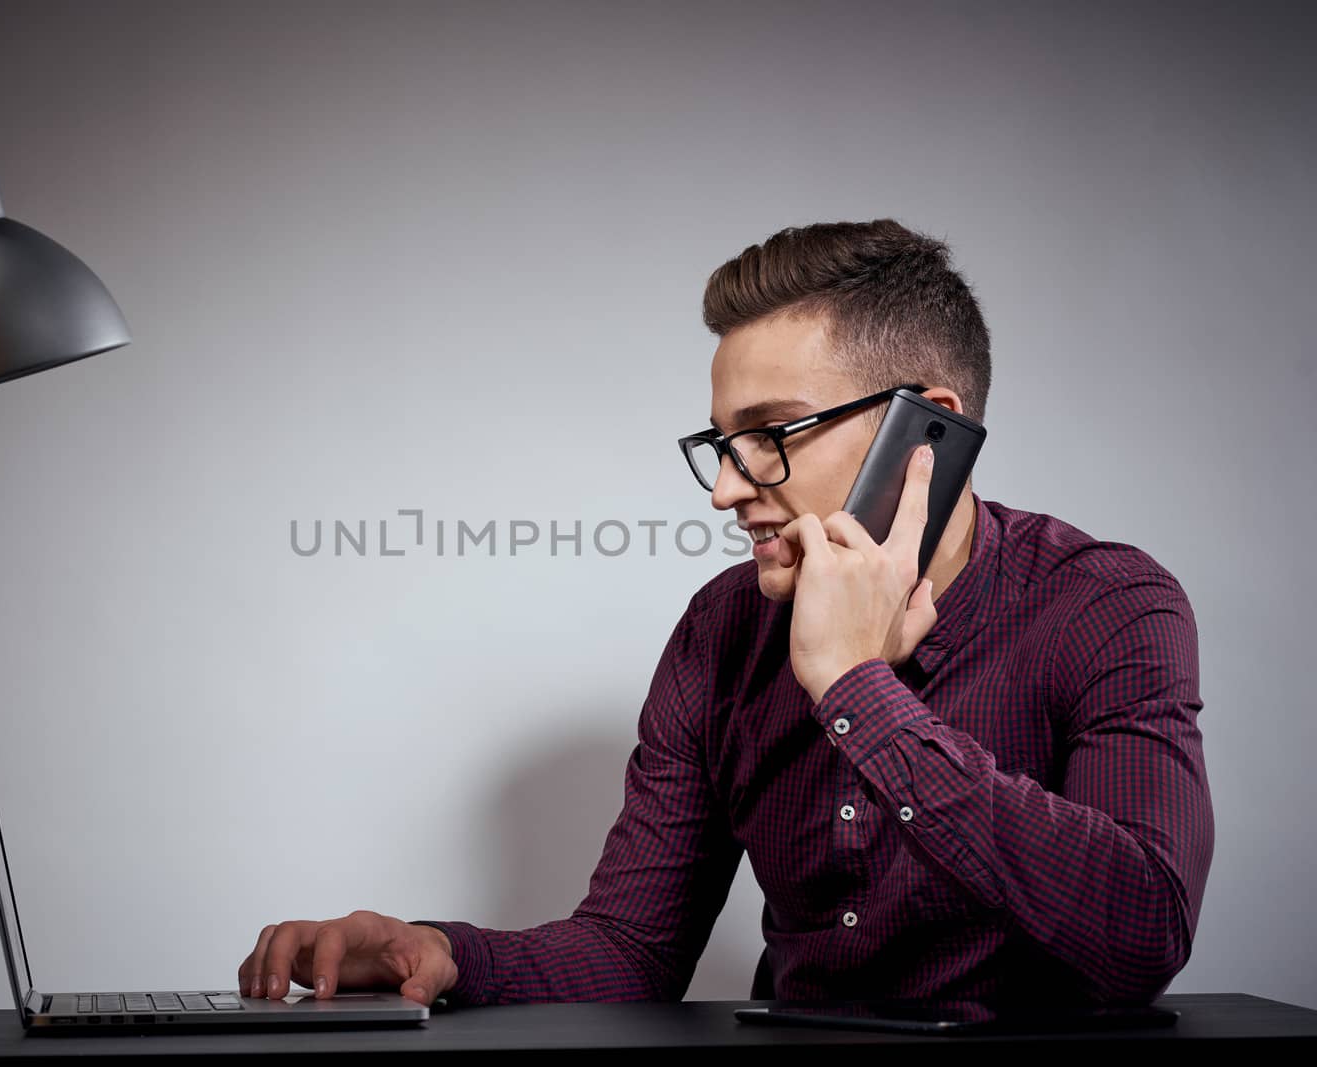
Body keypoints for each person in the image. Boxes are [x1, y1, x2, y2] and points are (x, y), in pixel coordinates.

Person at [238, 219, 1214, 1009]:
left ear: (926, 431)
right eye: (720, 441)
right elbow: (631, 950)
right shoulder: (722, 630)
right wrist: (441, 953)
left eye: (770, 433)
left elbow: (1139, 935)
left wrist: (855, 690)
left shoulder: (1106, 605)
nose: (725, 489)